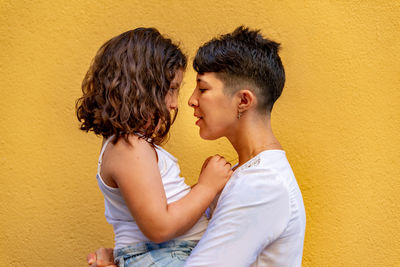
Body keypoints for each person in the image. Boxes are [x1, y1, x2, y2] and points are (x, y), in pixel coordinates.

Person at [88, 26, 306, 267]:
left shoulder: (262, 186)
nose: (189, 101)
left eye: (202, 89)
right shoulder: (242, 177)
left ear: (243, 100)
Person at [76, 28, 232, 267]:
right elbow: (160, 227)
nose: (173, 104)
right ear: (139, 88)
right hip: (162, 255)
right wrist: (206, 188)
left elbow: (163, 206)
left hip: (166, 253)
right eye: (171, 89)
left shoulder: (131, 146)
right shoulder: (129, 148)